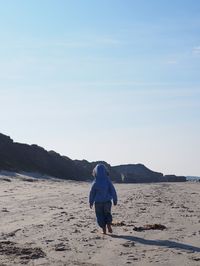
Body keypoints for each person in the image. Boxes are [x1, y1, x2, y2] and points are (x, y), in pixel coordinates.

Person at [89, 164, 118, 234]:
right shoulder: (108, 181)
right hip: (107, 202)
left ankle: (104, 229)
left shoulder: (95, 182)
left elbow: (92, 193)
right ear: (106, 172)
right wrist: (115, 199)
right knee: (107, 213)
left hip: (98, 203)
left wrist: (91, 202)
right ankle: (108, 224)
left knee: (99, 215)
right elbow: (113, 190)